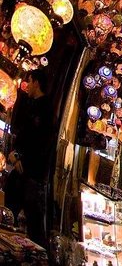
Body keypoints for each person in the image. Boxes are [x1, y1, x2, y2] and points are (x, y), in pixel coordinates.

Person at [6, 70, 53, 249]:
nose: (28, 85)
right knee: (14, 211)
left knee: (33, 224)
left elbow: (40, 141)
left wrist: (21, 158)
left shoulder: (45, 109)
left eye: (30, 81)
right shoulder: (33, 104)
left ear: (37, 83)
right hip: (24, 171)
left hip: (30, 173)